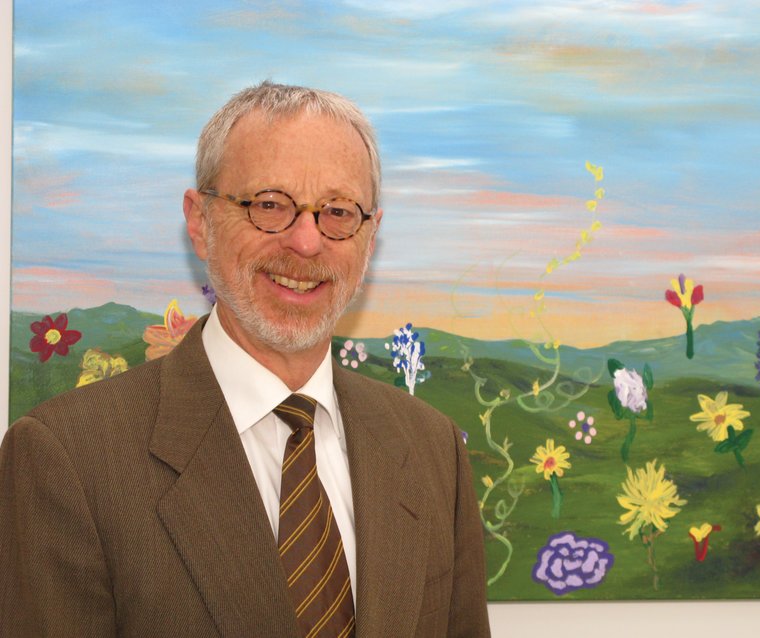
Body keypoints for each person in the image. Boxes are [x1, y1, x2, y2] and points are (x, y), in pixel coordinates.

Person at [0, 82, 491, 637]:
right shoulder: (67, 458)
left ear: (370, 237)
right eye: (270, 205)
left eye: (336, 211)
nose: (306, 243)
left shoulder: (431, 448)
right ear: (199, 221)